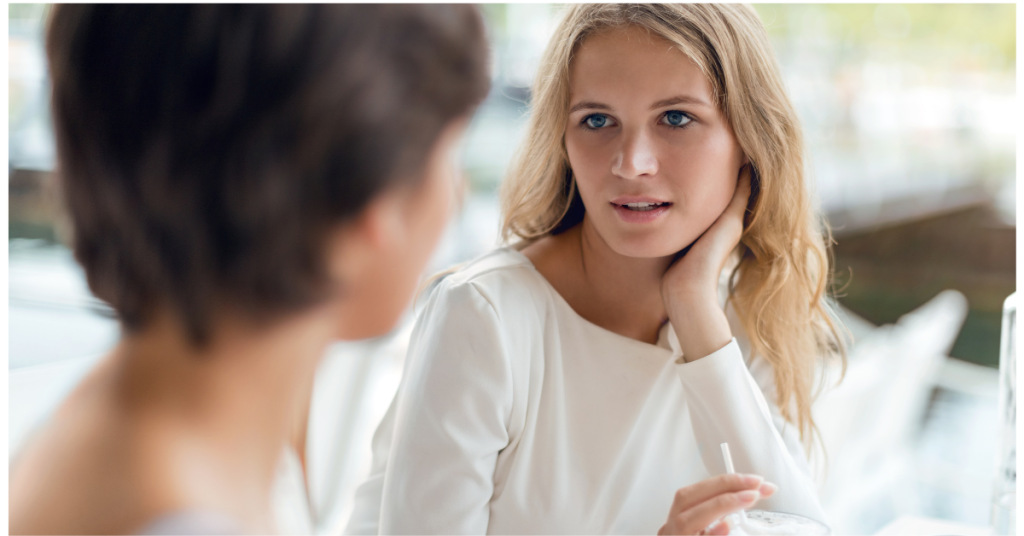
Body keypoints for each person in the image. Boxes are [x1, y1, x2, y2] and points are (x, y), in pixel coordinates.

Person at [346, 4, 845, 535]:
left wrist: (695, 310)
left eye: (676, 118)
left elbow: (800, 525)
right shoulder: (484, 316)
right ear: (563, 139)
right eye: (597, 121)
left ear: (749, 141)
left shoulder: (739, 321)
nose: (631, 163)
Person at [9, 5, 490, 534]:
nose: (457, 192)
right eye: (449, 153)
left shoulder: (111, 419)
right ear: (369, 201)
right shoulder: (187, 511)